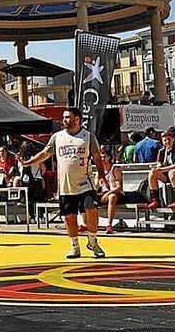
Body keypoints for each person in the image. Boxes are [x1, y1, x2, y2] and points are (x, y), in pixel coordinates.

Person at [20, 107, 108, 258]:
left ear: (77, 119)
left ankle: (92, 241)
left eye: (68, 117)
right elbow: (45, 154)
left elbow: (97, 157)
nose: (64, 120)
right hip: (66, 185)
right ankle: (75, 246)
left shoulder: (88, 137)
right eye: (64, 117)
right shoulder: (57, 137)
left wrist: (101, 175)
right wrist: (28, 162)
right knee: (69, 216)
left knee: (91, 210)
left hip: (85, 182)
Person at [98, 145, 144, 234]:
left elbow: (118, 187)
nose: (102, 159)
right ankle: (87, 224)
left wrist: (108, 193)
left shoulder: (115, 169)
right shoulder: (100, 170)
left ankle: (109, 224)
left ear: (109, 157)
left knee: (112, 197)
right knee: (88, 198)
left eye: (104, 157)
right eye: (101, 157)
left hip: (116, 193)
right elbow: (95, 186)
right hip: (103, 193)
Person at [147, 130, 175, 210]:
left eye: (169, 139)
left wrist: (162, 169)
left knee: (172, 172)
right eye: (165, 140)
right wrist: (157, 167)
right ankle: (155, 200)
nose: (167, 142)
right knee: (152, 173)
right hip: (165, 174)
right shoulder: (161, 151)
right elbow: (159, 162)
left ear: (173, 139)